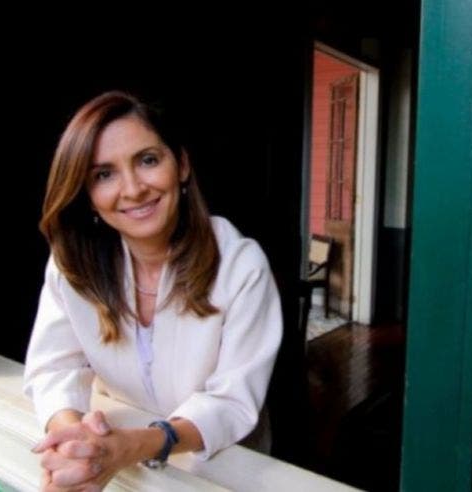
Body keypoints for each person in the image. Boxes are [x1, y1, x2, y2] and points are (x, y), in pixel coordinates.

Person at [23, 91, 282, 491]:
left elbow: (231, 402)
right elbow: (54, 370)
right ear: (87, 194)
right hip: (126, 467)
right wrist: (77, 446)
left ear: (181, 164)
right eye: (103, 174)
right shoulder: (72, 264)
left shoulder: (241, 265)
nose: (133, 188)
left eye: (147, 160)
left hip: (219, 467)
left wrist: (136, 445)